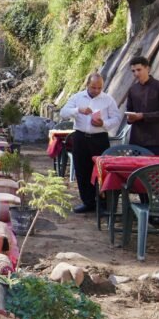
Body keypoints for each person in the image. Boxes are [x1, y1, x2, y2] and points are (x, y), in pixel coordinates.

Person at [59, 73, 122, 214]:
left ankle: (104, 204)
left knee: (101, 171)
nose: (96, 90)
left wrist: (103, 123)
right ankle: (88, 202)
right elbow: (63, 112)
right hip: (81, 137)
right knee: (82, 171)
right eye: (93, 87)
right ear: (87, 85)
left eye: (99, 88)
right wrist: (77, 110)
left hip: (100, 138)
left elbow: (117, 118)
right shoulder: (78, 97)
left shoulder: (108, 99)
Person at [125, 55, 159, 155]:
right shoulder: (132, 89)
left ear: (148, 68)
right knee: (137, 171)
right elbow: (129, 110)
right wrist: (130, 119)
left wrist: (143, 116)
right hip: (136, 141)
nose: (136, 73)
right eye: (133, 71)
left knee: (157, 170)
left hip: (156, 141)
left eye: (139, 69)